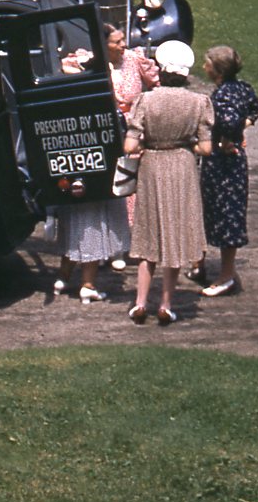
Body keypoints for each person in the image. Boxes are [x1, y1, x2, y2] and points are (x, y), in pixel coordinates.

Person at [123, 40, 213, 325]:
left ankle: (139, 303)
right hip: (182, 166)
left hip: (153, 165)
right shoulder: (199, 103)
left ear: (161, 70)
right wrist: (187, 148)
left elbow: (129, 146)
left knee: (149, 233)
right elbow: (206, 149)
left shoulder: (146, 101)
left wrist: (144, 145)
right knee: (174, 235)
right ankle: (165, 304)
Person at [51, 46, 129, 303]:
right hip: (98, 173)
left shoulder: (67, 105)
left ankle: (62, 277)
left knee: (74, 225)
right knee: (94, 226)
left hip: (72, 171)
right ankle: (88, 284)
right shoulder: (105, 107)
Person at [192, 45, 258, 298]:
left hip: (224, 164)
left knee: (224, 214)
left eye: (207, 63)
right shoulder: (243, 89)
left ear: (217, 69)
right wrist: (244, 127)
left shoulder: (222, 95)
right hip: (232, 163)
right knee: (219, 212)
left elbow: (230, 120)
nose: (203, 67)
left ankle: (226, 276)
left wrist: (226, 138)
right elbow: (255, 108)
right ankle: (203, 267)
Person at [104, 25, 158, 269]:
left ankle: (130, 244)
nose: (123, 44)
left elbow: (158, 83)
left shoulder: (135, 59)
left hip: (133, 129)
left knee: (130, 184)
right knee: (109, 182)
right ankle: (110, 246)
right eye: (117, 42)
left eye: (123, 39)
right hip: (106, 130)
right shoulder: (94, 62)